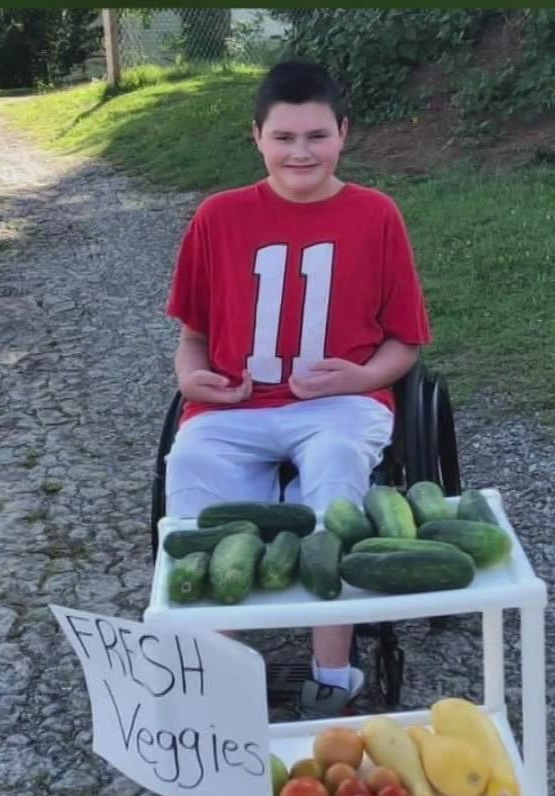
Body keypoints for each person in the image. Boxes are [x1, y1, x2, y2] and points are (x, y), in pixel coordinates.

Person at [162, 59, 432, 718]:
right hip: (235, 403)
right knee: (193, 465)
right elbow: (193, 335)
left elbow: (408, 342)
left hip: (340, 404)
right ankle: (212, 675)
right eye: (284, 137)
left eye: (316, 135)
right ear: (257, 137)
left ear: (344, 133)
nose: (300, 152)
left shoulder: (376, 215)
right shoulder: (217, 217)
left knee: (338, 469)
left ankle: (332, 674)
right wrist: (189, 376)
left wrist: (365, 376)